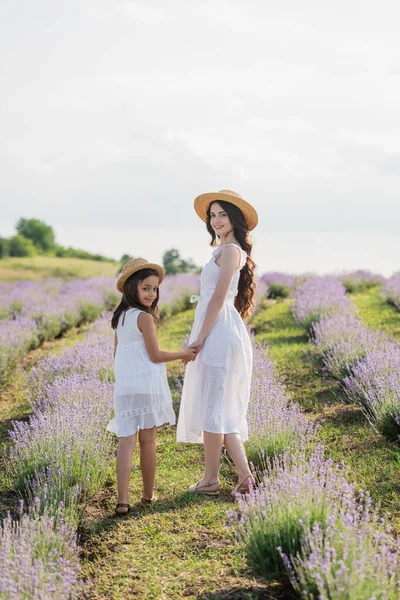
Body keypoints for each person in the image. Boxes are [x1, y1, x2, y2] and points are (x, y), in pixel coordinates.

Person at [177, 190, 258, 497]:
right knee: (220, 409)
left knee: (214, 406)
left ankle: (211, 479)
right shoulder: (226, 250)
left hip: (218, 332)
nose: (216, 220)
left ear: (235, 219)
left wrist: (197, 340)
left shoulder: (230, 252)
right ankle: (244, 477)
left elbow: (219, 298)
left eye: (222, 214)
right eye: (212, 215)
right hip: (220, 328)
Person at [107, 258, 197, 514]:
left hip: (124, 387)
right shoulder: (144, 318)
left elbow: (117, 356)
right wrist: (184, 354)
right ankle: (147, 495)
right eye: (146, 288)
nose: (151, 294)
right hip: (146, 385)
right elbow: (155, 356)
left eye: (155, 289)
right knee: (148, 441)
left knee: (126, 443)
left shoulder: (120, 318)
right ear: (132, 288)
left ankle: (122, 501)